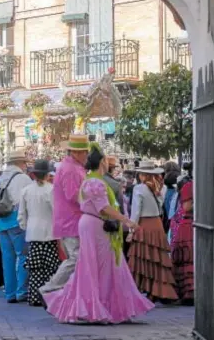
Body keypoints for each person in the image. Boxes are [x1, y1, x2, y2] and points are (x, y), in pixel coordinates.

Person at [43, 144, 154, 324]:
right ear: (102, 162)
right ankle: (93, 307)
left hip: (93, 225)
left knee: (96, 266)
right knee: (96, 266)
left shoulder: (91, 180)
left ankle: (101, 306)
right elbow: (104, 207)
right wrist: (126, 221)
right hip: (94, 225)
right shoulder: (94, 182)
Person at [39, 134, 88, 297]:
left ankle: (59, 290)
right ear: (76, 153)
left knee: (76, 258)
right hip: (71, 220)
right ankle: (49, 289)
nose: (87, 155)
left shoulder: (72, 167)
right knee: (75, 258)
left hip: (72, 220)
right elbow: (74, 195)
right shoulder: (71, 169)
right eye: (85, 152)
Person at [127, 161, 178, 303]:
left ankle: (145, 288)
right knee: (158, 258)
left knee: (144, 257)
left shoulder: (139, 189)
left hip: (143, 224)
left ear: (143, 174)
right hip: (157, 224)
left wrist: (132, 228)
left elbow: (136, 211)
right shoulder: (160, 188)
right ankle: (157, 291)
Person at [18, 159, 60, 306]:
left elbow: (21, 215)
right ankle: (48, 297)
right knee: (50, 268)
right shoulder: (52, 190)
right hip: (49, 233)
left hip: (32, 233)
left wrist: (26, 227)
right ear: (47, 174)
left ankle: (34, 296)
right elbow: (57, 212)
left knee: (35, 268)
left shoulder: (26, 191)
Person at [0, 149, 32, 303]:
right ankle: (21, 291)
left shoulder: (0, 179)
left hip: (2, 222)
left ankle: (9, 293)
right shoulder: (23, 178)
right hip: (18, 221)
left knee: (7, 258)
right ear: (21, 163)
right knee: (22, 255)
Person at [170, 162, 194, 305]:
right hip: (188, 225)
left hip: (192, 225)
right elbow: (186, 207)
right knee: (187, 258)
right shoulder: (188, 187)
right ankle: (188, 292)